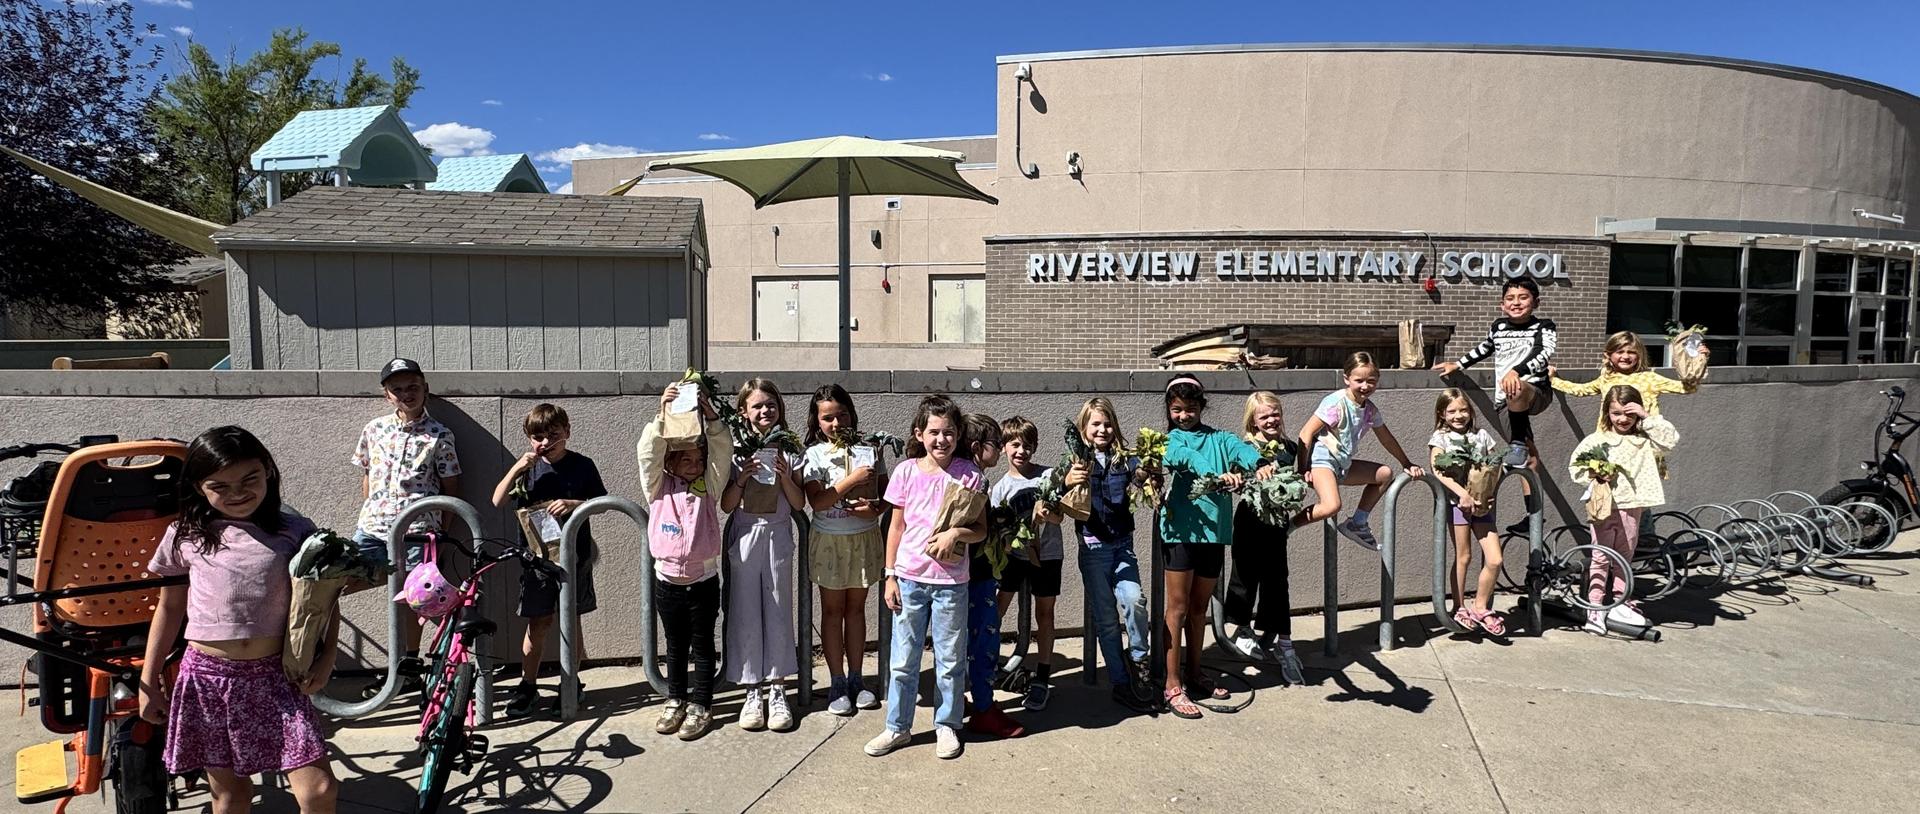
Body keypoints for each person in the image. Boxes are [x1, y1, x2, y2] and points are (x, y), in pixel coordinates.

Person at [139, 426, 339, 813]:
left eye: (250, 480)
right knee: (231, 797)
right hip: (208, 680)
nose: (238, 493)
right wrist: (148, 681)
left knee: (318, 790)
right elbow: (169, 608)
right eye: (220, 486)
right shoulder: (185, 535)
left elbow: (325, 600)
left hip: (278, 677)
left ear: (267, 470)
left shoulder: (295, 532)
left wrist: (326, 656)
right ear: (199, 487)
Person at [866, 395, 986, 760]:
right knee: (903, 658)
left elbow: (980, 530)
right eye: (934, 432)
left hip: (951, 582)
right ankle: (897, 727)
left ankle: (947, 725)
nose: (941, 440)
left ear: (958, 434)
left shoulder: (970, 474)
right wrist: (889, 576)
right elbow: (896, 527)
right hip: (909, 579)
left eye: (948, 432)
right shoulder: (906, 472)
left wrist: (956, 535)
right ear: (920, 434)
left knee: (950, 658)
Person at [353, 357, 462, 700]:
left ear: (425, 388)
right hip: (373, 530)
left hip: (417, 531)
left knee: (415, 600)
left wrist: (441, 536)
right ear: (387, 395)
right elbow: (367, 477)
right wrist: (372, 509)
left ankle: (412, 668)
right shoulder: (373, 429)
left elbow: (452, 489)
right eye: (397, 389)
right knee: (337, 583)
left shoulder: (440, 434)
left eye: (412, 387)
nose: (406, 394)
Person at [489, 403, 606, 717]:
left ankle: (571, 683)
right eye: (537, 436)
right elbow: (498, 499)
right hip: (537, 561)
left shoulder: (583, 465)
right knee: (537, 622)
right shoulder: (528, 469)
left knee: (571, 619)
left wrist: (572, 504)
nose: (545, 442)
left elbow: (602, 504)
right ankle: (527, 684)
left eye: (553, 435)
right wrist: (517, 468)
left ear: (567, 432)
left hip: (574, 557)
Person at [1157, 376, 1262, 719]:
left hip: (1214, 533)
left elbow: (1241, 450)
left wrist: (1258, 464)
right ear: (1169, 411)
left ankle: (1195, 671)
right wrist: (1217, 476)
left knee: (1200, 608)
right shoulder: (1169, 440)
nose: (1184, 415)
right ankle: (1172, 683)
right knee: (1178, 607)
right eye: (1177, 410)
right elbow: (1185, 458)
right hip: (1180, 532)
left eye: (1190, 409)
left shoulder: (1221, 438)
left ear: (1201, 407)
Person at [639, 382, 731, 740]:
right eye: (685, 459)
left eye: (698, 459)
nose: (694, 465)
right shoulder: (657, 487)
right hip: (667, 583)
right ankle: (675, 699)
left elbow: (721, 453)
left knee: (703, 645)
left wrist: (711, 419)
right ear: (671, 461)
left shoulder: (709, 485)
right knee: (675, 646)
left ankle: (701, 706)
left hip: (703, 581)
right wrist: (662, 415)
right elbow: (648, 452)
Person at [721, 379, 808, 733]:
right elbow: (726, 504)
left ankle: (777, 687)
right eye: (757, 406)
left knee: (776, 609)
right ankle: (750, 689)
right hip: (745, 534)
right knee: (744, 612)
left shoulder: (790, 448)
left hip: (777, 535)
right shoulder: (735, 449)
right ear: (743, 411)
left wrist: (787, 476)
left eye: (771, 405)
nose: (764, 412)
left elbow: (800, 502)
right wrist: (741, 479)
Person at [801, 385, 884, 716]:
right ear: (817, 421)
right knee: (833, 611)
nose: (836, 423)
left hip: (863, 538)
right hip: (830, 540)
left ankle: (856, 678)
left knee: (857, 610)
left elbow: (884, 496)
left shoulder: (868, 449)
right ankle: (836, 680)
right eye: (828, 418)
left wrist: (873, 509)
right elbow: (818, 501)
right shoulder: (814, 455)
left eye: (843, 415)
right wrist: (852, 481)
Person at [1569, 385, 1678, 636]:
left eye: (1629, 414)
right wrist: (1593, 473)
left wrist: (1647, 416)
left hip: (1632, 504)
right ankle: (1595, 607)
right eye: (1616, 413)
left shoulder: (1643, 439)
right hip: (1604, 506)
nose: (1623, 419)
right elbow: (1576, 467)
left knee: (1625, 554)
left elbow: (1670, 439)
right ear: (1607, 413)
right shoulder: (1597, 439)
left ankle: (1621, 600)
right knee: (1601, 556)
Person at [1073, 398, 1157, 711]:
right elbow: (1064, 498)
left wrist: (1148, 476)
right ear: (1084, 429)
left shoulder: (1127, 460)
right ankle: (1120, 681)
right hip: (1093, 548)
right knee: (1106, 619)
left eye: (1107, 424)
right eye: (1095, 424)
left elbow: (1143, 486)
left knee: (1134, 600)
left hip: (1122, 545)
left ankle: (1138, 661)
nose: (1102, 429)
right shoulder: (1078, 462)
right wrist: (1071, 480)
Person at [1299, 352, 1426, 550]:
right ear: (1346, 379)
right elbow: (1306, 433)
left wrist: (1407, 463)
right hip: (1322, 460)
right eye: (1359, 380)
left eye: (1371, 381)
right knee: (1332, 505)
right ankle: (1288, 527)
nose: (1365, 386)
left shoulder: (1369, 410)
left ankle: (1357, 522)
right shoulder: (1336, 403)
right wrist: (1302, 468)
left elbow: (1386, 438)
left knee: (1385, 474)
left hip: (1343, 463)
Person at [1434, 276, 1557, 473]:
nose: (1516, 302)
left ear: (1536, 302)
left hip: (1535, 392)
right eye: (1510, 298)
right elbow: (1486, 348)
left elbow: (1542, 354)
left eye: (1523, 297)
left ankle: (1517, 444)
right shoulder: (1498, 326)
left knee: (1516, 389)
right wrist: (1458, 364)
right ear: (1502, 304)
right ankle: (1533, 502)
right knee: (1528, 460)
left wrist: (1516, 372)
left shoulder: (1544, 326)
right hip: (1505, 401)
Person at [1224, 391, 1307, 684]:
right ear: (1253, 421)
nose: (1271, 420)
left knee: (1277, 581)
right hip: (1249, 521)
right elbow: (1234, 480)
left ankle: (1285, 645)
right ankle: (1241, 627)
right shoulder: (1245, 447)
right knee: (1244, 575)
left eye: (1275, 414)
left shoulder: (1289, 448)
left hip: (1276, 524)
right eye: (1264, 416)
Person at [1551, 330, 1706, 479]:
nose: (1625, 356)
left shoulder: (1650, 378)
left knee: (1637, 492)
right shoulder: (1606, 379)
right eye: (1620, 351)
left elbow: (1688, 388)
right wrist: (1554, 380)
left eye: (1631, 352)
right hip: (1610, 443)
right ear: (1608, 355)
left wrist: (1699, 360)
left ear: (1639, 356)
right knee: (1610, 487)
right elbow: (1581, 390)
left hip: (1641, 445)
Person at [991, 416, 1068, 711]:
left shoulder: (1048, 477)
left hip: (1048, 554)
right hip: (1014, 556)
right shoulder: (1001, 488)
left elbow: (1061, 515)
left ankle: (1043, 673)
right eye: (1014, 444)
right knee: (997, 608)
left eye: (1027, 445)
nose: (1021, 451)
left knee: (1044, 614)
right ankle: (988, 663)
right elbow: (998, 529)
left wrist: (1047, 515)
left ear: (1034, 447)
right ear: (1004, 447)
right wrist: (1011, 537)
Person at [957, 413, 1024, 738]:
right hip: (976, 573)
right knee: (984, 640)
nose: (999, 450)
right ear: (976, 446)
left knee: (956, 642)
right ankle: (984, 708)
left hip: (955, 574)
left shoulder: (954, 473)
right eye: (995, 444)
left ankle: (957, 701)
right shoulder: (975, 480)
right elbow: (977, 530)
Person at [1428, 389, 1507, 636]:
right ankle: (1459, 606)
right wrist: (1461, 492)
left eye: (1463, 410)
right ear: (1442, 414)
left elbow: (1495, 463)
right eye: (1451, 411)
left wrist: (1491, 484)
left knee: (1495, 558)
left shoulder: (1481, 435)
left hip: (1481, 505)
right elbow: (1437, 469)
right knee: (1464, 556)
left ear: (1471, 412)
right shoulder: (1440, 438)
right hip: (1457, 505)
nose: (1458, 415)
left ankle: (1480, 606)